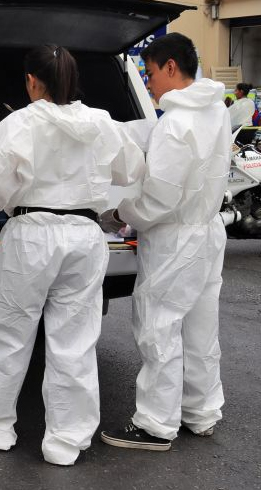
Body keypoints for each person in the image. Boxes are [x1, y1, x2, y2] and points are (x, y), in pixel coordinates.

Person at [0, 45, 145, 466]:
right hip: (84, 234)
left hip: (31, 234)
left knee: (9, 333)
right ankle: (65, 441)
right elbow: (131, 170)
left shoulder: (19, 123)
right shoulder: (101, 122)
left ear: (31, 80)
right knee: (75, 341)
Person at [99, 32, 231, 451]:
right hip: (208, 230)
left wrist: (119, 215)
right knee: (200, 327)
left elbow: (158, 197)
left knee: (159, 326)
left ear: (171, 67)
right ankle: (201, 411)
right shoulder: (215, 111)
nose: (149, 81)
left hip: (176, 238)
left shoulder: (175, 124)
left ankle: (155, 425)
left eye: (151, 72)